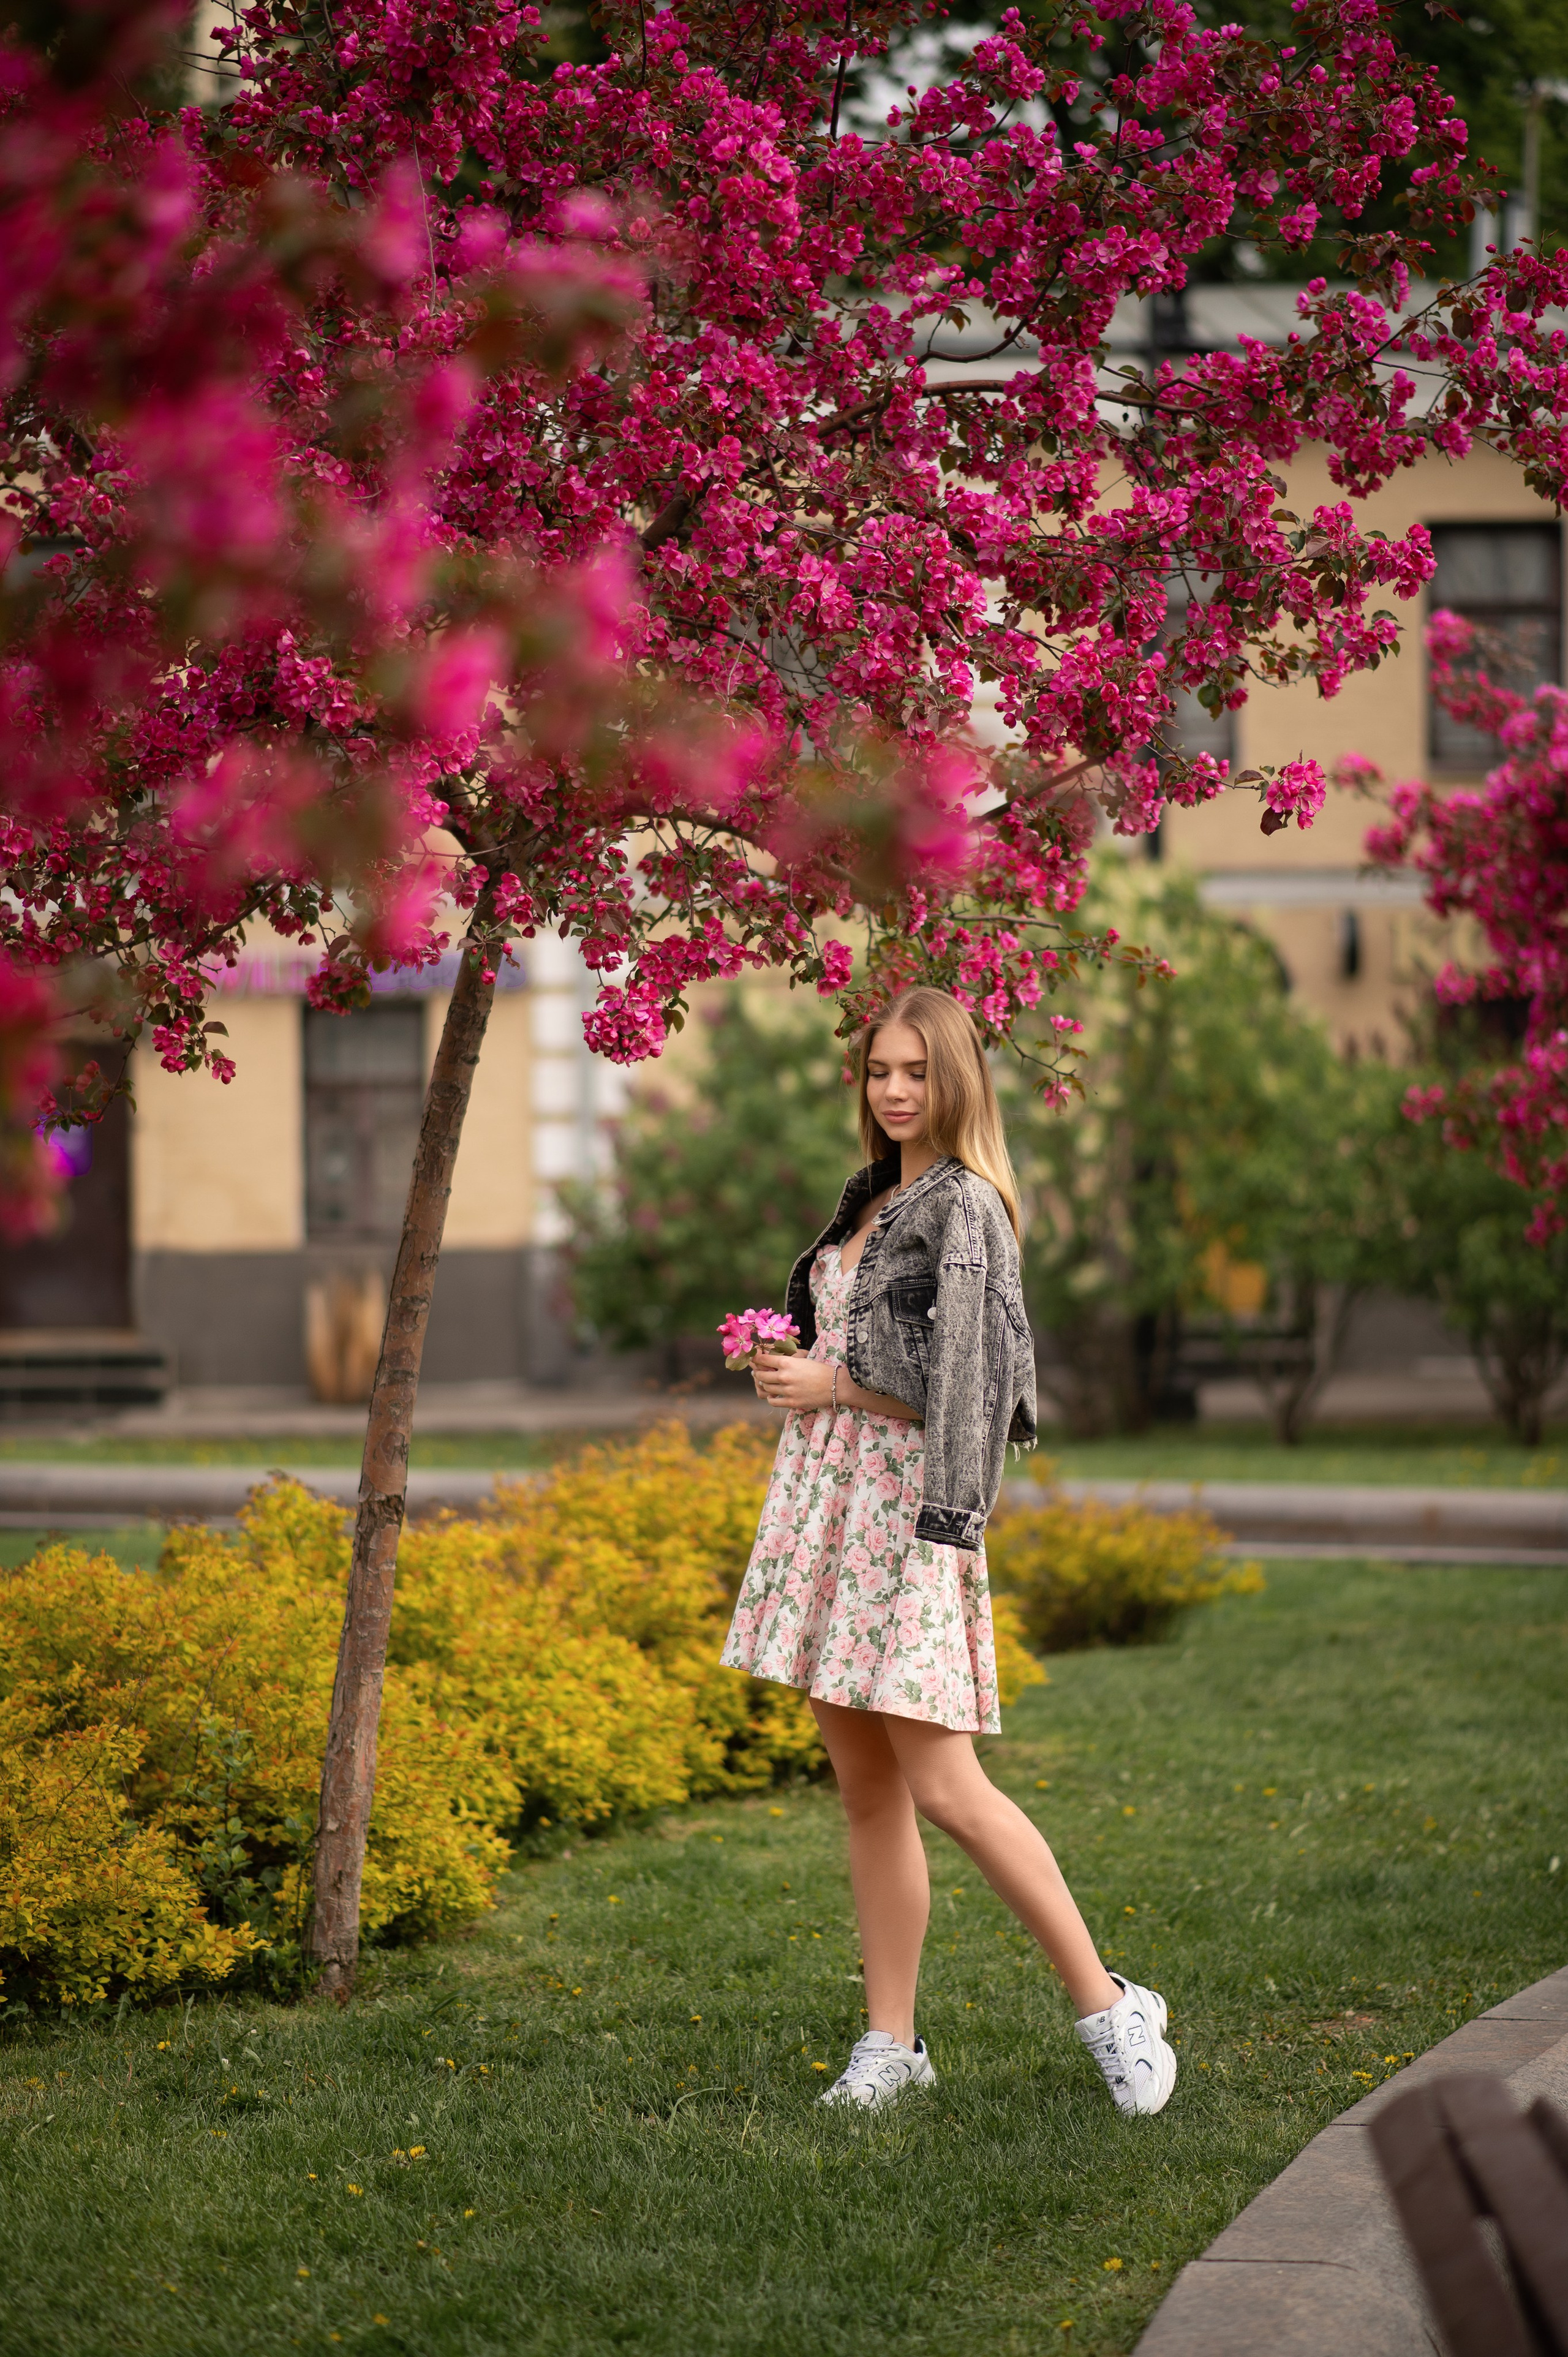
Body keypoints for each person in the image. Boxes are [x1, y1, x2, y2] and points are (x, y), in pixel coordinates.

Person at [720, 985, 1176, 2118]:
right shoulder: (870, 1196)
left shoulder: (965, 1208)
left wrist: (838, 1384)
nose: (894, 1090)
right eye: (880, 1071)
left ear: (956, 1080)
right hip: (829, 1508)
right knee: (869, 1795)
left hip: (908, 1522)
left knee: (948, 1785)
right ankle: (893, 2046)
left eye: (916, 1072)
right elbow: (864, 1350)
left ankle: (1111, 2006)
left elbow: (977, 1386)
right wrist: (798, 1369)